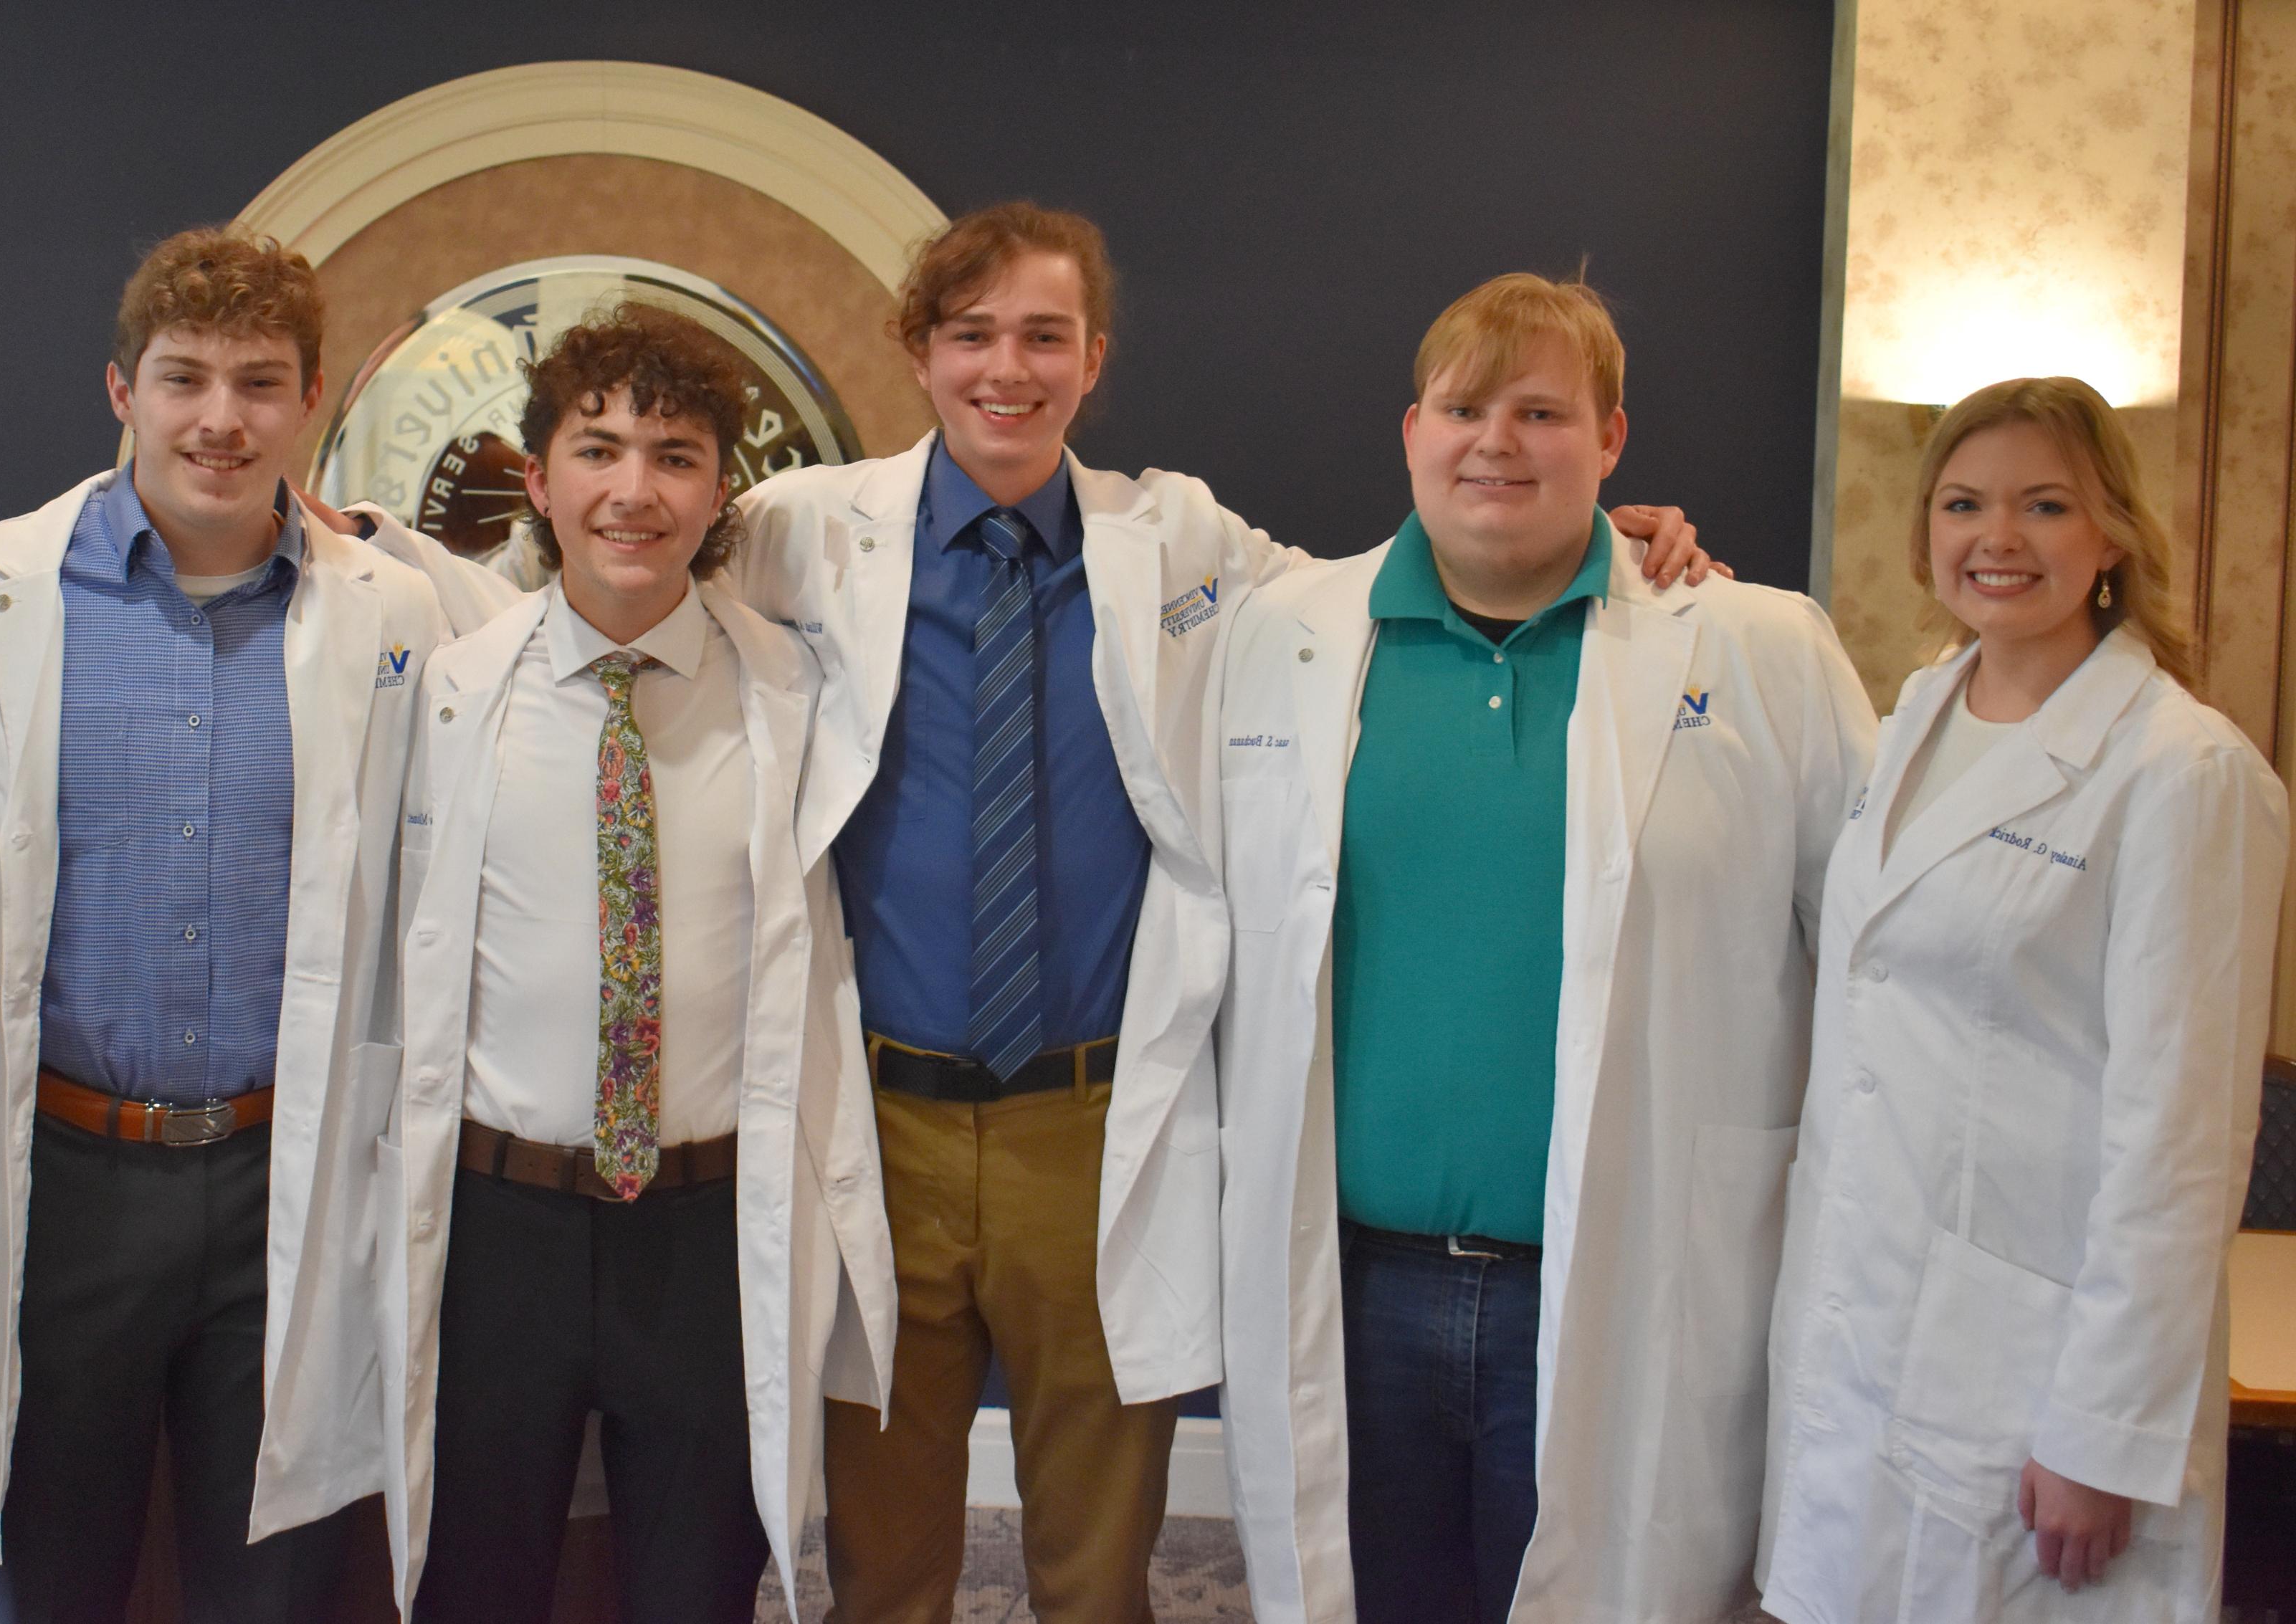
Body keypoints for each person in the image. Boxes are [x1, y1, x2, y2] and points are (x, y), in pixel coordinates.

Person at [352, 201, 1711, 1621]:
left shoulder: (1174, 540)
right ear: (921, 353)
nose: (1008, 366)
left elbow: (1357, 593)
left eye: (1043, 335)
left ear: (1092, 357)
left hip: (1091, 1117)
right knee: (882, 1555)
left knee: (1091, 1555)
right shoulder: (808, 533)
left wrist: (1587, 539)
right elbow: (594, 583)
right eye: (972, 333)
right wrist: (345, 533)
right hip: (879, 1124)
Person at [1211, 272, 1876, 1623]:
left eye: (1542, 411)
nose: (1496, 442)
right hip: (1357, 1285)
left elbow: (1869, 970)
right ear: (1411, 430)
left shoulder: (1759, 647)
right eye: (1464, 407)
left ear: (1614, 440)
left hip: (1625, 1279)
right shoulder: (1285, 635)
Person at [0, 226, 437, 1623]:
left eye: (260, 383)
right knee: (48, 1570)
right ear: (122, 390)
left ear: (311, 400)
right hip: (66, 1176)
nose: (221, 419)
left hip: (285, 1174)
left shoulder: (394, 611)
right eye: (185, 378)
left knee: (279, 1581)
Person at [379, 303, 883, 1623]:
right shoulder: (449, 692)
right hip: (504, 1229)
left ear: (722, 488)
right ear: (538, 478)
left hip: (707, 1227)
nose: (633, 488)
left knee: (693, 1586)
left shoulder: (794, 695)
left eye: (674, 452)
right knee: (476, 1580)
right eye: (597, 448)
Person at [1756, 377, 2286, 1620]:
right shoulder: (1916, 715)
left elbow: (2185, 1138)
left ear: (2112, 534)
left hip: (2035, 1381)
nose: (1998, 538)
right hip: (1864, 1319)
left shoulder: (2185, 771)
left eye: (2045, 504)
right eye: (1964, 504)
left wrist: (2105, 1428)